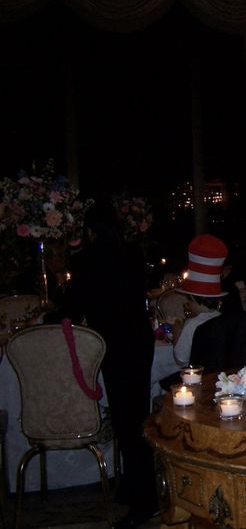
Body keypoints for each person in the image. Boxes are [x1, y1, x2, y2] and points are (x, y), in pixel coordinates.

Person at [59, 198, 158, 527]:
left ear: (90, 231)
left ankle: (143, 499)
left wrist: (51, 314)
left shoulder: (85, 260)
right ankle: (135, 487)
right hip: (139, 342)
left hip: (114, 346)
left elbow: (71, 310)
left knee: (127, 421)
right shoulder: (132, 255)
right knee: (136, 418)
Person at [171, 234, 229, 367]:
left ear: (195, 299)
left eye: (188, 300)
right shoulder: (223, 319)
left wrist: (176, 334)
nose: (187, 304)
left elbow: (181, 360)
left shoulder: (192, 324)